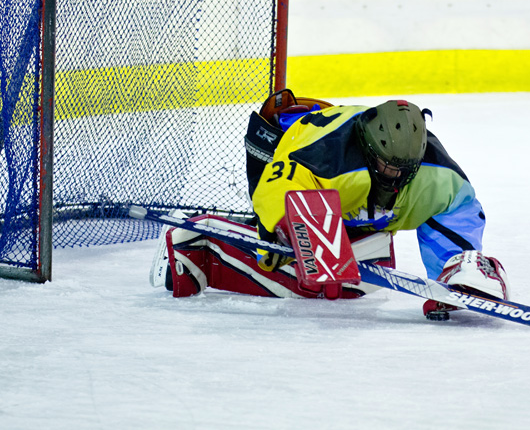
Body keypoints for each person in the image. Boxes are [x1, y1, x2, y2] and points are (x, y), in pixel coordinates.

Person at [158, 89, 509, 319]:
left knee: (354, 280)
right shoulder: (326, 162)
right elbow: (273, 188)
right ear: (369, 152)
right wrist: (285, 228)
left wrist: (454, 271)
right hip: (283, 138)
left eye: (405, 171)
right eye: (387, 167)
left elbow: (461, 210)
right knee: (300, 273)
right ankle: (195, 236)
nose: (395, 178)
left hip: (343, 196)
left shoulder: (436, 176)